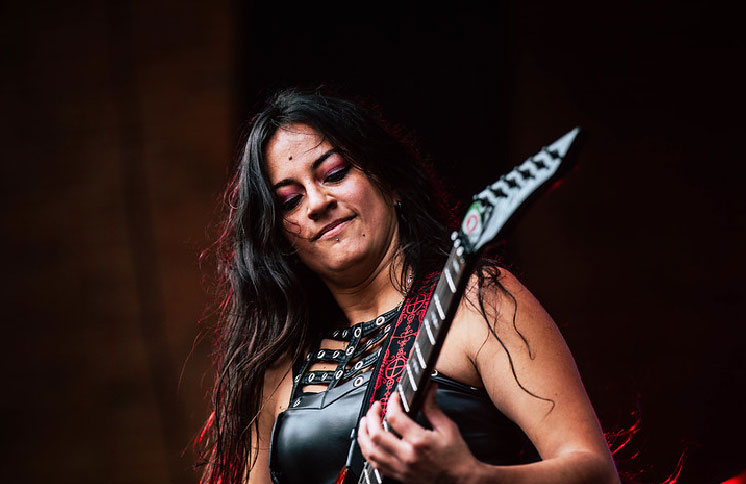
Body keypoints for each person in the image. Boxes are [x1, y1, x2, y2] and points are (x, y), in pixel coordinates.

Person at [197, 89, 620, 484]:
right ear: (282, 240)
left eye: (335, 173)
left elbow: (596, 471)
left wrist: (470, 477)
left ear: (391, 180)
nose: (317, 203)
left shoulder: (479, 301)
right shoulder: (277, 365)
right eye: (290, 200)